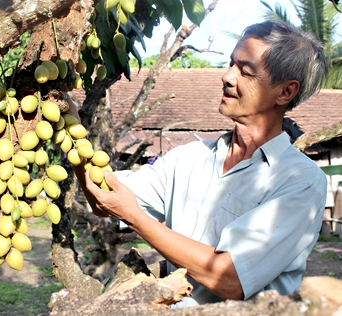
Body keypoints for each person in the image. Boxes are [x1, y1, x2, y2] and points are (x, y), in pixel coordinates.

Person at [72, 20, 329, 306]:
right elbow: (106, 198)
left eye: (246, 71)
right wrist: (71, 129)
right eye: (231, 64)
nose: (228, 77)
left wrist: (136, 217)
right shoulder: (189, 158)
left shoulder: (301, 181)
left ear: (285, 92)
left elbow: (230, 278)